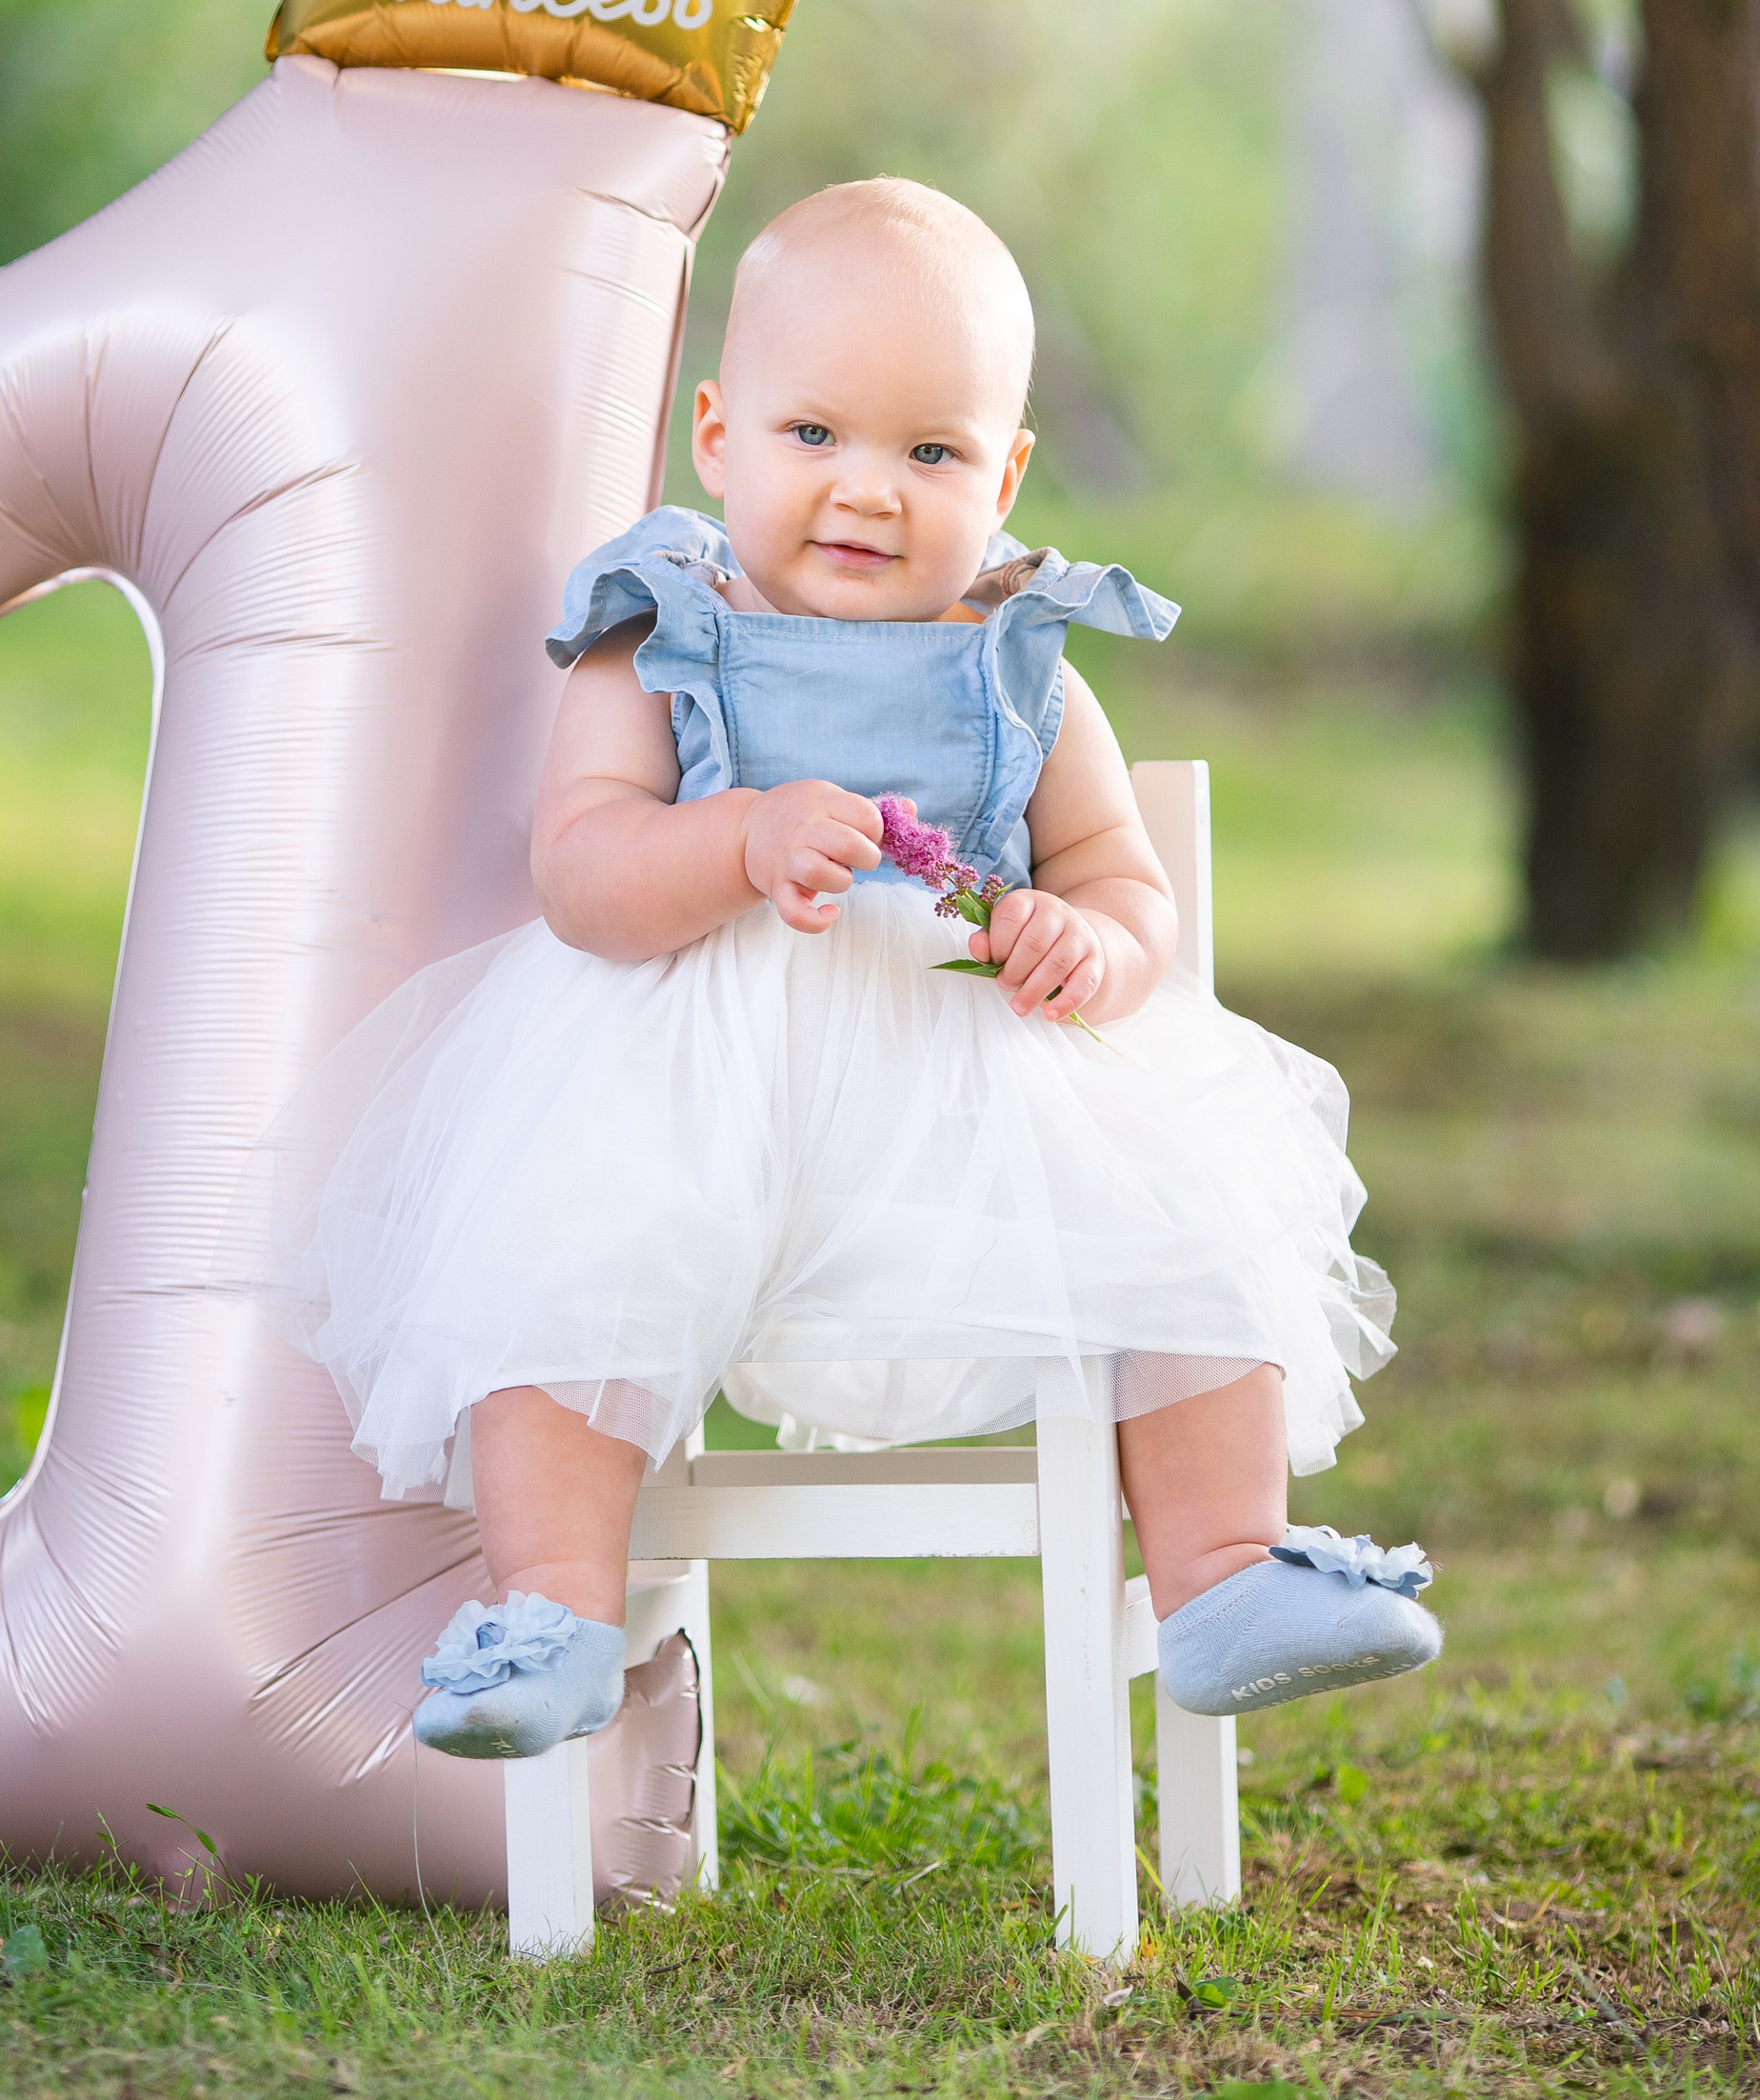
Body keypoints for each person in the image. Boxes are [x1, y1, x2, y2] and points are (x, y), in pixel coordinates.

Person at [262, 178, 1438, 1758]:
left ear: (1007, 471)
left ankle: (1221, 1572)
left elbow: (1120, 880)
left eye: (931, 451)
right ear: (718, 436)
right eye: (815, 435)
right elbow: (584, 875)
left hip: (972, 1112)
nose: (869, 491)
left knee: (1189, 1210)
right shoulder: (663, 637)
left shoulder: (1020, 655)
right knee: (554, 1252)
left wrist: (1083, 939)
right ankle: (549, 1608)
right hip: (685, 1101)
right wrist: (734, 842)